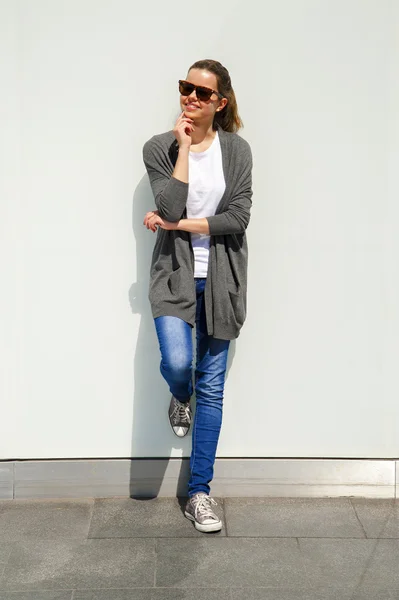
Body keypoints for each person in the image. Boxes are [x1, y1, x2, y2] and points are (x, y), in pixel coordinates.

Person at [142, 59, 253, 533]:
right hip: (174, 276)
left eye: (202, 92)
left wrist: (179, 225)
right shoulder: (158, 147)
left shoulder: (237, 149)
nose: (191, 96)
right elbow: (167, 202)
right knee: (176, 362)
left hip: (222, 281)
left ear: (220, 102)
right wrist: (184, 147)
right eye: (186, 87)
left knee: (213, 389)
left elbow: (238, 217)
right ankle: (177, 393)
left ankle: (200, 492)